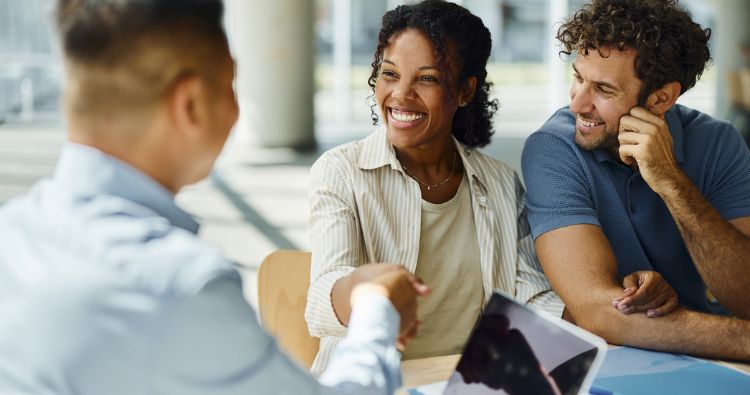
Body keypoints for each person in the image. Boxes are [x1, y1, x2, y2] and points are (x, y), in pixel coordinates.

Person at [0, 1, 429, 394]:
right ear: (190, 104)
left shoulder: (13, 230)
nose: (238, 109)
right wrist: (376, 307)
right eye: (230, 85)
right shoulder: (177, 286)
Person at [306, 0, 562, 374]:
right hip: (376, 383)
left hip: (474, 384)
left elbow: (531, 297)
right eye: (390, 73)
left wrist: (610, 311)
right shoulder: (341, 172)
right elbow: (320, 300)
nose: (400, 95)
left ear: (464, 90)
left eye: (426, 78)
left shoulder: (501, 184)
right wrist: (364, 288)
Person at [522, 0, 750, 360]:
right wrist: (743, 340)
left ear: (661, 98)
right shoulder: (552, 148)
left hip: (711, 362)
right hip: (615, 362)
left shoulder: (718, 143)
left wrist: (671, 182)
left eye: (604, 90)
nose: (578, 104)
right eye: (578, 77)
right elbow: (598, 313)